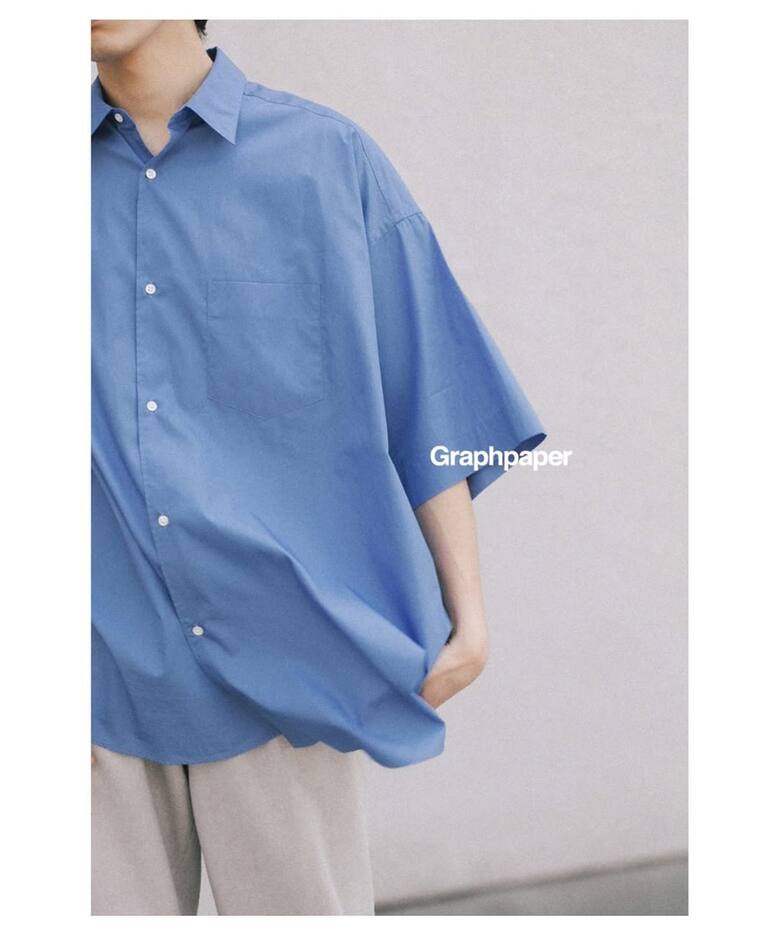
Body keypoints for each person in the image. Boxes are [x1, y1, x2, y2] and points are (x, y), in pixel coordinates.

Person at [91, 19, 546, 916]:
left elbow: (427, 386)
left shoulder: (326, 160)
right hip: (94, 663)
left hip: (284, 653)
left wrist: (471, 615)